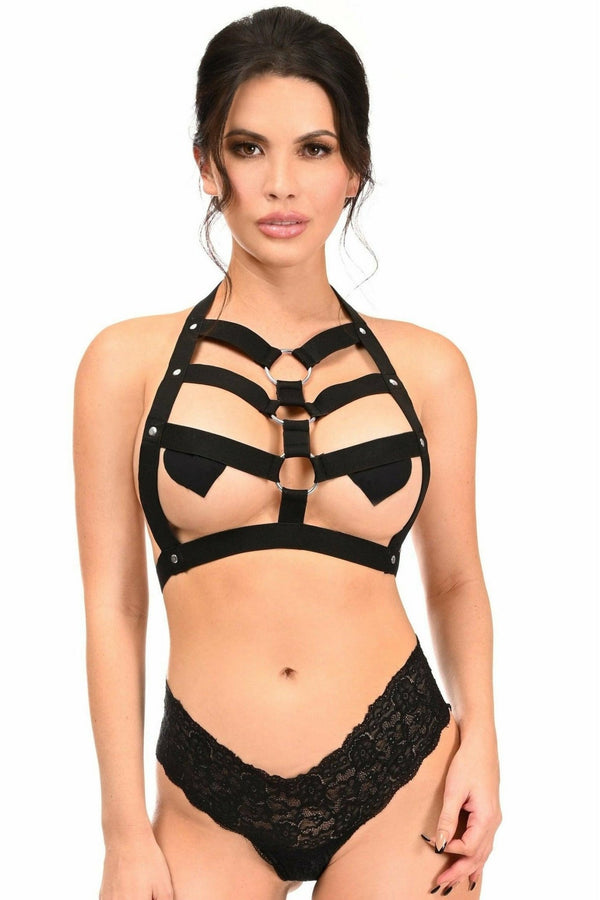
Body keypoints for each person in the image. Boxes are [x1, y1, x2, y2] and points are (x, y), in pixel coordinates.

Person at [73, 6, 502, 899]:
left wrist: (483, 746)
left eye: (314, 149)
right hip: (204, 790)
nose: (280, 185)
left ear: (354, 169)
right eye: (248, 148)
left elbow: (457, 579)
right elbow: (114, 604)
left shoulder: (430, 367)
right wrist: (121, 830)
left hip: (405, 771)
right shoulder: (124, 362)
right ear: (207, 164)